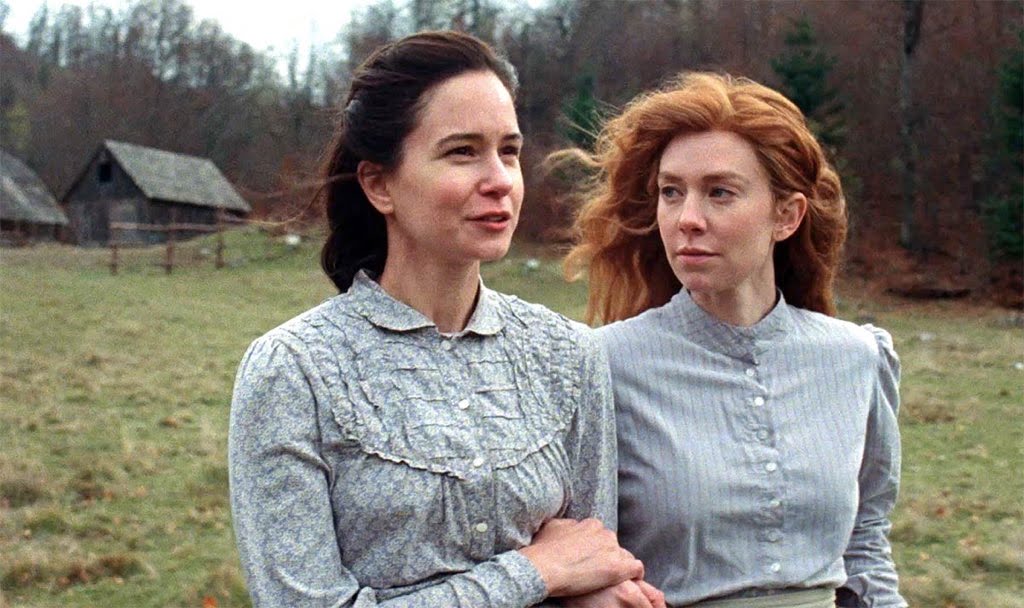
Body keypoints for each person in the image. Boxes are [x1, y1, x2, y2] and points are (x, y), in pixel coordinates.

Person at [228, 30, 663, 608]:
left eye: (509, 151)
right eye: (463, 152)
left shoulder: (569, 354)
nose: (500, 180)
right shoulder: (294, 371)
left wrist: (575, 582)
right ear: (379, 184)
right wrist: (533, 572)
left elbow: (593, 569)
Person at [561, 72, 907, 608]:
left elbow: (865, 545)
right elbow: (582, 559)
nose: (687, 219)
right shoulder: (603, 364)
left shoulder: (856, 358)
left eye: (719, 193)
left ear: (786, 216)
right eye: (671, 192)